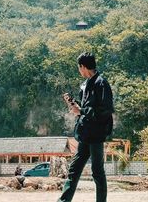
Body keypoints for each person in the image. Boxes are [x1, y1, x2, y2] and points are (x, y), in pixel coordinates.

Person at [57, 52, 114, 202]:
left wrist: (81, 111)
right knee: (73, 170)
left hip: (96, 136)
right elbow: (85, 108)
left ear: (83, 66)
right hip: (85, 134)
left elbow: (105, 111)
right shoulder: (85, 84)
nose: (79, 71)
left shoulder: (102, 83)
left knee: (97, 172)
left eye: (79, 68)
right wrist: (74, 105)